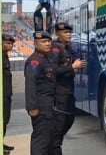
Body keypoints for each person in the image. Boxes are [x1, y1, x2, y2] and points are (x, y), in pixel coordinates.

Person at [50, 23, 87, 155]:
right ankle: (55, 148)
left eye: (70, 32)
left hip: (68, 90)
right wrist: (72, 67)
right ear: (57, 34)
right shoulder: (55, 48)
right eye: (65, 32)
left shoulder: (68, 47)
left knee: (70, 118)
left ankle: (55, 143)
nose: (69, 34)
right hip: (60, 92)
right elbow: (52, 71)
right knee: (59, 124)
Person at [24, 31, 57, 155]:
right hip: (41, 108)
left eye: (49, 41)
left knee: (49, 140)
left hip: (49, 106)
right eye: (43, 42)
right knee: (41, 142)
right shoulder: (35, 61)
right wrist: (32, 107)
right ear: (36, 44)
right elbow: (30, 85)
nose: (47, 44)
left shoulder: (45, 59)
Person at [2, 34, 16, 154]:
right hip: (2, 96)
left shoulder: (5, 55)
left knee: (5, 121)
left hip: (6, 95)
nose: (10, 45)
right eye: (7, 43)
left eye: (11, 44)